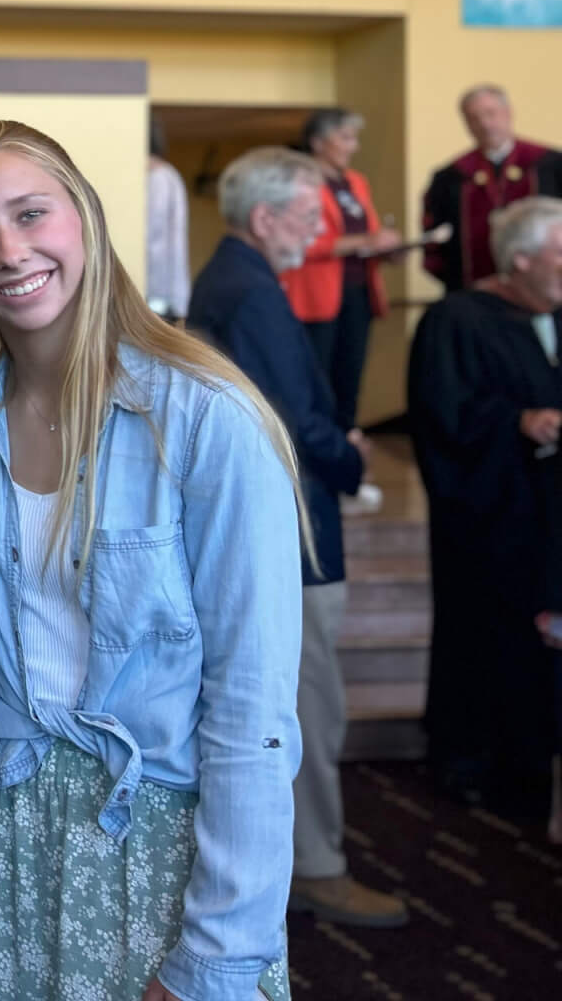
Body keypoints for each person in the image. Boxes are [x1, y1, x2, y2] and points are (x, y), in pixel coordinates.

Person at [0, 119, 302, 1001]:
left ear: (85, 220)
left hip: (161, 841)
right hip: (2, 833)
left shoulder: (207, 416)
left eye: (31, 214)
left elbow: (253, 710)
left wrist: (218, 955)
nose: (9, 252)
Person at [186, 147, 407, 929]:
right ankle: (317, 866)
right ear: (266, 216)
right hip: (296, 534)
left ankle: (310, 861)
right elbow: (290, 419)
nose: (319, 232)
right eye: (311, 216)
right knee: (309, 706)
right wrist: (350, 458)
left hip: (289, 528)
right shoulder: (246, 289)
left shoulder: (238, 280)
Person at [408, 195, 562, 821]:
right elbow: (443, 414)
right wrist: (518, 422)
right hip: (491, 516)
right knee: (484, 638)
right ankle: (470, 761)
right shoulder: (458, 320)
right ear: (520, 259)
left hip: (551, 523)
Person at [283, 109, 402, 434]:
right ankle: (316, 463)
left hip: (359, 293)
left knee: (349, 381)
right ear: (319, 142)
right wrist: (365, 240)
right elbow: (300, 241)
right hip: (316, 298)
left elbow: (368, 234)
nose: (354, 147)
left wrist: (387, 249)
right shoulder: (298, 181)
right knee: (317, 382)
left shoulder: (356, 183)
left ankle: (347, 459)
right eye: (346, 138)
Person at [421, 84, 562, 291]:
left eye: (491, 113)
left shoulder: (551, 165)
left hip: (546, 292)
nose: (485, 124)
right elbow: (435, 243)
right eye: (474, 118)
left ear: (508, 113)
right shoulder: (449, 178)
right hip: (474, 294)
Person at [146, 118, 190, 323]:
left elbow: (153, 233)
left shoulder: (158, 177)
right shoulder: (168, 175)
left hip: (156, 291)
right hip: (164, 292)